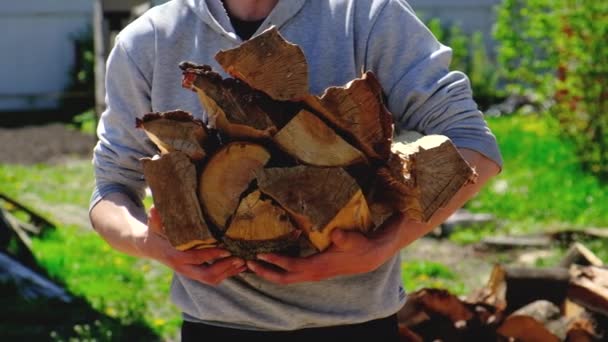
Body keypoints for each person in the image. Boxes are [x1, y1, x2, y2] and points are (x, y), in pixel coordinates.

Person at [89, 0, 503, 340]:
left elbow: (474, 146)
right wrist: (148, 242)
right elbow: (111, 186)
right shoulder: (150, 40)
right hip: (216, 328)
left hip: (354, 327)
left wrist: (383, 244)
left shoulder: (367, 17)